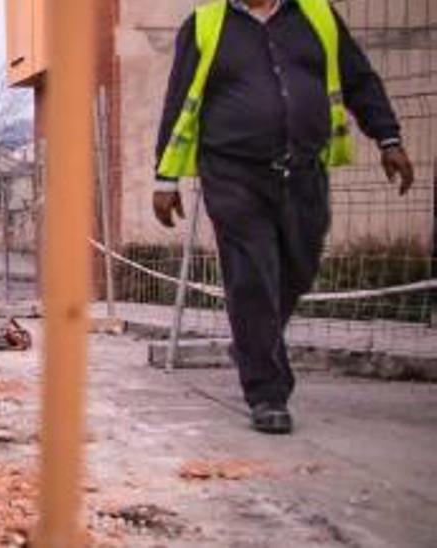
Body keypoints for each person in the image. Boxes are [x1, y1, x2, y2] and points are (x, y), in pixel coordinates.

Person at [154, 0, 414, 434]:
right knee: (252, 275)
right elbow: (178, 101)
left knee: (300, 267)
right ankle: (268, 393)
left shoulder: (317, 15)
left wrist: (388, 137)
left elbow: (358, 79)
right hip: (233, 174)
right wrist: (165, 179)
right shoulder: (204, 24)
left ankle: (254, 342)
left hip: (304, 171)